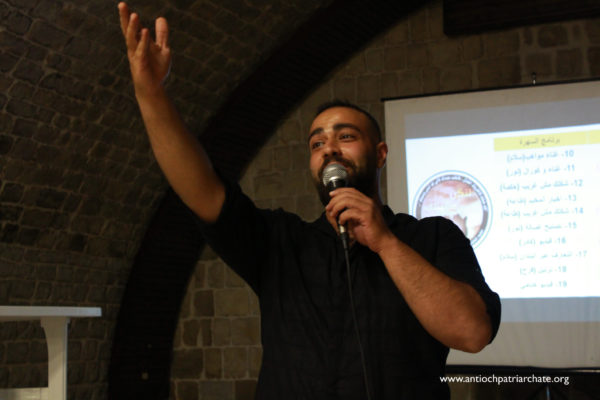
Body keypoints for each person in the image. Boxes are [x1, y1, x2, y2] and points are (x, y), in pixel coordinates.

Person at [117, 3, 501, 399]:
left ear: (380, 153)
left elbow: (472, 332)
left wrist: (385, 243)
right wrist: (151, 94)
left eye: (346, 137)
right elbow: (201, 188)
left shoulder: (433, 237)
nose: (329, 148)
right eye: (317, 143)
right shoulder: (282, 244)